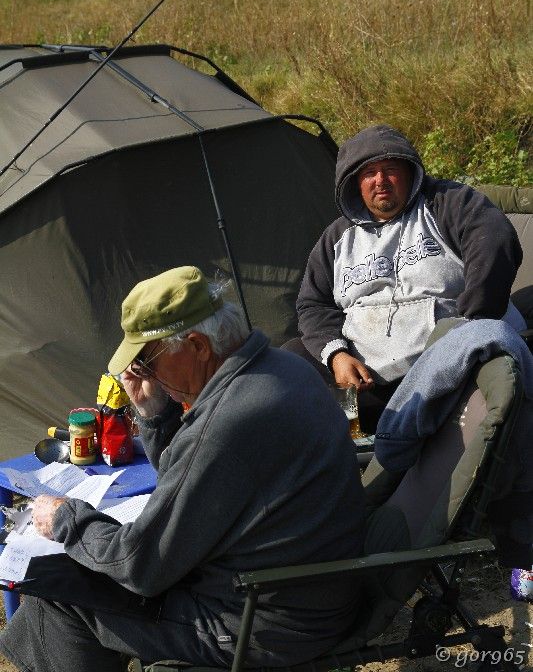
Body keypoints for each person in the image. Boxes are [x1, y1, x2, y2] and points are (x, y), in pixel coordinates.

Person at [0, 266, 366, 672]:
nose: (141, 373)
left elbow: (140, 566)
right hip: (310, 597)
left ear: (196, 346)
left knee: (60, 592)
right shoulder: (283, 367)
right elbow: (184, 479)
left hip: (261, 623)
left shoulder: (227, 421)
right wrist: (154, 414)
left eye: (146, 360)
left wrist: (66, 519)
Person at [295, 124, 525, 433]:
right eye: (369, 173)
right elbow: (313, 304)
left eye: (390, 170)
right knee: (292, 359)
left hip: (445, 367)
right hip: (366, 380)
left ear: (409, 172)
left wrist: (471, 325)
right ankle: (345, 439)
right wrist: (336, 355)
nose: (380, 180)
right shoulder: (336, 238)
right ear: (355, 183)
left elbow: (494, 241)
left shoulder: (446, 203)